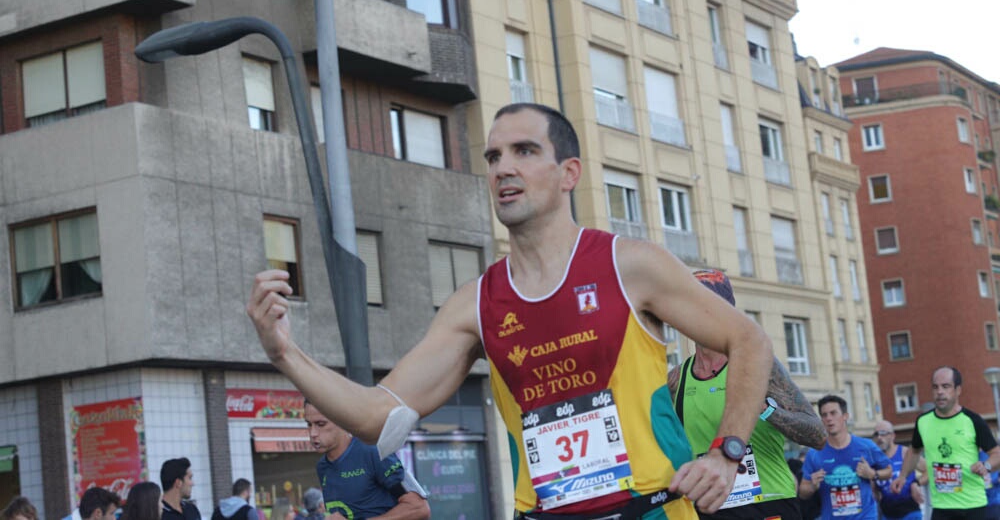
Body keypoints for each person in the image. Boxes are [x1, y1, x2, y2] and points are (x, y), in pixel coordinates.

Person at [247, 102, 774, 519]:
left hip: (651, 512)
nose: (504, 168)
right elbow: (375, 419)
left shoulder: (629, 265)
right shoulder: (475, 303)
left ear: (569, 172)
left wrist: (725, 454)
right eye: (494, 157)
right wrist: (285, 353)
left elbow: (748, 340)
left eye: (524, 151)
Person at [670, 269, 826, 519]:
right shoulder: (677, 379)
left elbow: (817, 435)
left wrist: (767, 410)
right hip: (710, 506)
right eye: (689, 306)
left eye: (706, 306)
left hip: (769, 502)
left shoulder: (757, 365)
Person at [891, 367, 1000, 520]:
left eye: (946, 386)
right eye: (935, 387)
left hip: (973, 506)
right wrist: (902, 476)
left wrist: (986, 466)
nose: (940, 391)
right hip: (942, 507)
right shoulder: (923, 422)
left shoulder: (973, 420)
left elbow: (997, 454)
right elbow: (914, 451)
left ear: (958, 390)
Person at [304, 400, 429, 520]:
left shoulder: (372, 451)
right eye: (309, 424)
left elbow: (419, 508)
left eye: (321, 424)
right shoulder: (322, 467)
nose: (312, 433)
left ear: (341, 420)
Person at [799, 395, 891, 520]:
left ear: (845, 416)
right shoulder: (815, 453)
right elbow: (803, 493)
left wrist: (872, 474)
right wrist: (812, 486)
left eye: (833, 413)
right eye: (824, 415)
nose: (829, 419)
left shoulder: (866, 446)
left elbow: (889, 471)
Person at [871, 421, 923, 520]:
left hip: (910, 511)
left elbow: (928, 470)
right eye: (876, 434)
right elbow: (875, 492)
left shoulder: (904, 453)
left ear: (893, 436)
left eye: (883, 433)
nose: (879, 438)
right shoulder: (874, 461)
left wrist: (916, 483)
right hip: (887, 514)